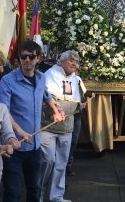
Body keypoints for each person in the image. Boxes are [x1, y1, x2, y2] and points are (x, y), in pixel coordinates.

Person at [0, 40, 65, 202]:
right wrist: (19, 132)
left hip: (34, 146)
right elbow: (3, 112)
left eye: (31, 57)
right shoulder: (7, 80)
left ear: (38, 59)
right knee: (12, 193)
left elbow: (47, 97)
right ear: (19, 59)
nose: (27, 60)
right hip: (12, 146)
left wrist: (56, 111)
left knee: (34, 190)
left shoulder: (41, 78)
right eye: (23, 57)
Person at [40, 50, 87, 202]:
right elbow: (46, 97)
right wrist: (57, 110)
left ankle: (56, 196)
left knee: (61, 162)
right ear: (62, 61)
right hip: (48, 126)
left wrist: (81, 105)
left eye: (77, 62)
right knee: (47, 160)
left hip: (67, 127)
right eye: (72, 60)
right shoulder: (49, 74)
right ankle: (38, 194)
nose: (75, 64)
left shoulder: (77, 80)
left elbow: (80, 100)